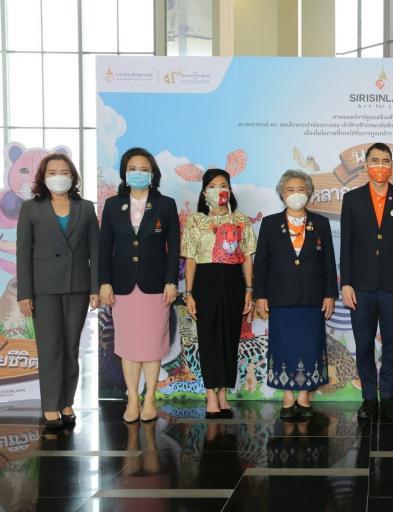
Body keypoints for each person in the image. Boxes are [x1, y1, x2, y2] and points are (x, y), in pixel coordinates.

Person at [16, 153, 99, 430]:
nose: (59, 177)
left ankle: (67, 403)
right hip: (44, 289)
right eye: (52, 172)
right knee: (50, 348)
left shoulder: (85, 208)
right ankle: (50, 406)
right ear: (43, 177)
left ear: (73, 177)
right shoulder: (31, 208)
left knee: (71, 348)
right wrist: (24, 293)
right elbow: (23, 253)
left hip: (78, 287)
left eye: (64, 172)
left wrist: (95, 287)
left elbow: (95, 251)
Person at [99, 147, 180, 423]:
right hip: (122, 286)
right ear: (124, 172)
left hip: (155, 286)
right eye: (132, 168)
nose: (138, 173)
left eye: (144, 169)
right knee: (129, 345)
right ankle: (133, 399)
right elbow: (104, 247)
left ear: (153, 174)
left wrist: (171, 281)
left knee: (152, 345)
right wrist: (105, 282)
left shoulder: (165, 204)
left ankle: (150, 399)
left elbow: (174, 247)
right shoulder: (113, 205)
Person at [340, 142, 393, 421]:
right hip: (360, 287)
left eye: (386, 161)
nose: (380, 166)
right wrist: (346, 283)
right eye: (375, 161)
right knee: (363, 344)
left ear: (391, 166)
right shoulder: (352, 199)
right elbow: (346, 244)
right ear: (366, 165)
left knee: (392, 344)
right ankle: (368, 399)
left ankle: (388, 398)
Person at [254, 170, 338, 420]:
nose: (296, 194)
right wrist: (260, 295)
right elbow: (261, 264)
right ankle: (288, 396)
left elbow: (328, 262)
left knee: (310, 346)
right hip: (280, 298)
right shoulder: (270, 224)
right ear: (282, 194)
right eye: (290, 190)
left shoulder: (320, 223)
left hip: (313, 298)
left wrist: (330, 295)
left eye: (301, 189)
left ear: (309, 193)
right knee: (284, 346)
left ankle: (303, 396)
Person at [181, 169, 255, 419]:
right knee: (209, 337)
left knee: (229, 338)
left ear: (230, 191)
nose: (218, 190)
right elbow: (190, 259)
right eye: (212, 186)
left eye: (223, 185)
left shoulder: (241, 220)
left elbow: (247, 258)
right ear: (204, 192)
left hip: (234, 282)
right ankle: (210, 394)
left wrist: (249, 290)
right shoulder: (196, 221)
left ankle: (223, 394)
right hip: (205, 282)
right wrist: (189, 293)